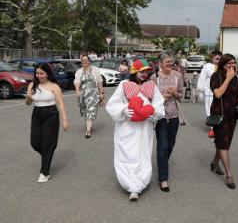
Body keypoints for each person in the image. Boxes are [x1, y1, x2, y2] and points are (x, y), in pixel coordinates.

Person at [106, 59, 165, 201]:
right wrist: (124, 110)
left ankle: (139, 185)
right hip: (126, 127)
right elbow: (113, 104)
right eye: (142, 71)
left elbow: (158, 103)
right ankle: (130, 184)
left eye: (147, 72)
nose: (145, 74)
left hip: (144, 127)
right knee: (126, 154)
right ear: (134, 71)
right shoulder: (124, 85)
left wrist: (154, 114)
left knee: (142, 153)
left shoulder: (151, 86)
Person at [25, 63, 70, 183]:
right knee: (35, 143)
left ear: (47, 74)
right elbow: (28, 103)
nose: (39, 76)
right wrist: (28, 98)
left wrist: (65, 120)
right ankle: (47, 155)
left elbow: (60, 103)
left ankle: (45, 173)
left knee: (48, 143)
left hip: (51, 114)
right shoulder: (32, 85)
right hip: (37, 114)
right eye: (37, 73)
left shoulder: (54, 86)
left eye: (42, 73)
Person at [209, 54, 238, 189]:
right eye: (229, 63)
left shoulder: (235, 76)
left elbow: (237, 93)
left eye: (234, 63)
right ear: (223, 64)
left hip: (231, 115)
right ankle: (229, 175)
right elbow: (217, 94)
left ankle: (215, 162)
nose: (232, 66)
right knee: (224, 144)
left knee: (224, 142)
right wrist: (227, 79)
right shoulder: (216, 76)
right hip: (220, 115)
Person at [155, 52, 184, 192]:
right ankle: (163, 178)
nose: (170, 64)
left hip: (174, 116)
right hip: (159, 116)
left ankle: (162, 164)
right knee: (163, 146)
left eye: (171, 62)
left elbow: (181, 96)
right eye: (167, 62)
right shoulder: (154, 78)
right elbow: (150, 98)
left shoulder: (177, 76)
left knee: (171, 144)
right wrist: (162, 97)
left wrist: (174, 94)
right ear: (160, 63)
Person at [74, 54, 104, 138]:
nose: (84, 62)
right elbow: (77, 82)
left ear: (89, 61)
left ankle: (87, 131)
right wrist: (77, 92)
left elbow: (99, 82)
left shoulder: (95, 70)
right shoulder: (79, 71)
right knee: (85, 111)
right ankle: (89, 125)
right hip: (83, 94)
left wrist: (101, 93)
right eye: (82, 60)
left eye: (85, 60)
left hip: (94, 94)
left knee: (91, 110)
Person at [198, 50, 222, 138]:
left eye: (219, 55)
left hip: (221, 92)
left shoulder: (223, 66)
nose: (217, 57)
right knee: (210, 109)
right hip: (209, 92)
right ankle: (213, 128)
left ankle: (220, 126)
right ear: (212, 57)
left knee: (221, 109)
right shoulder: (207, 66)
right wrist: (201, 90)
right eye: (215, 55)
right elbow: (202, 78)